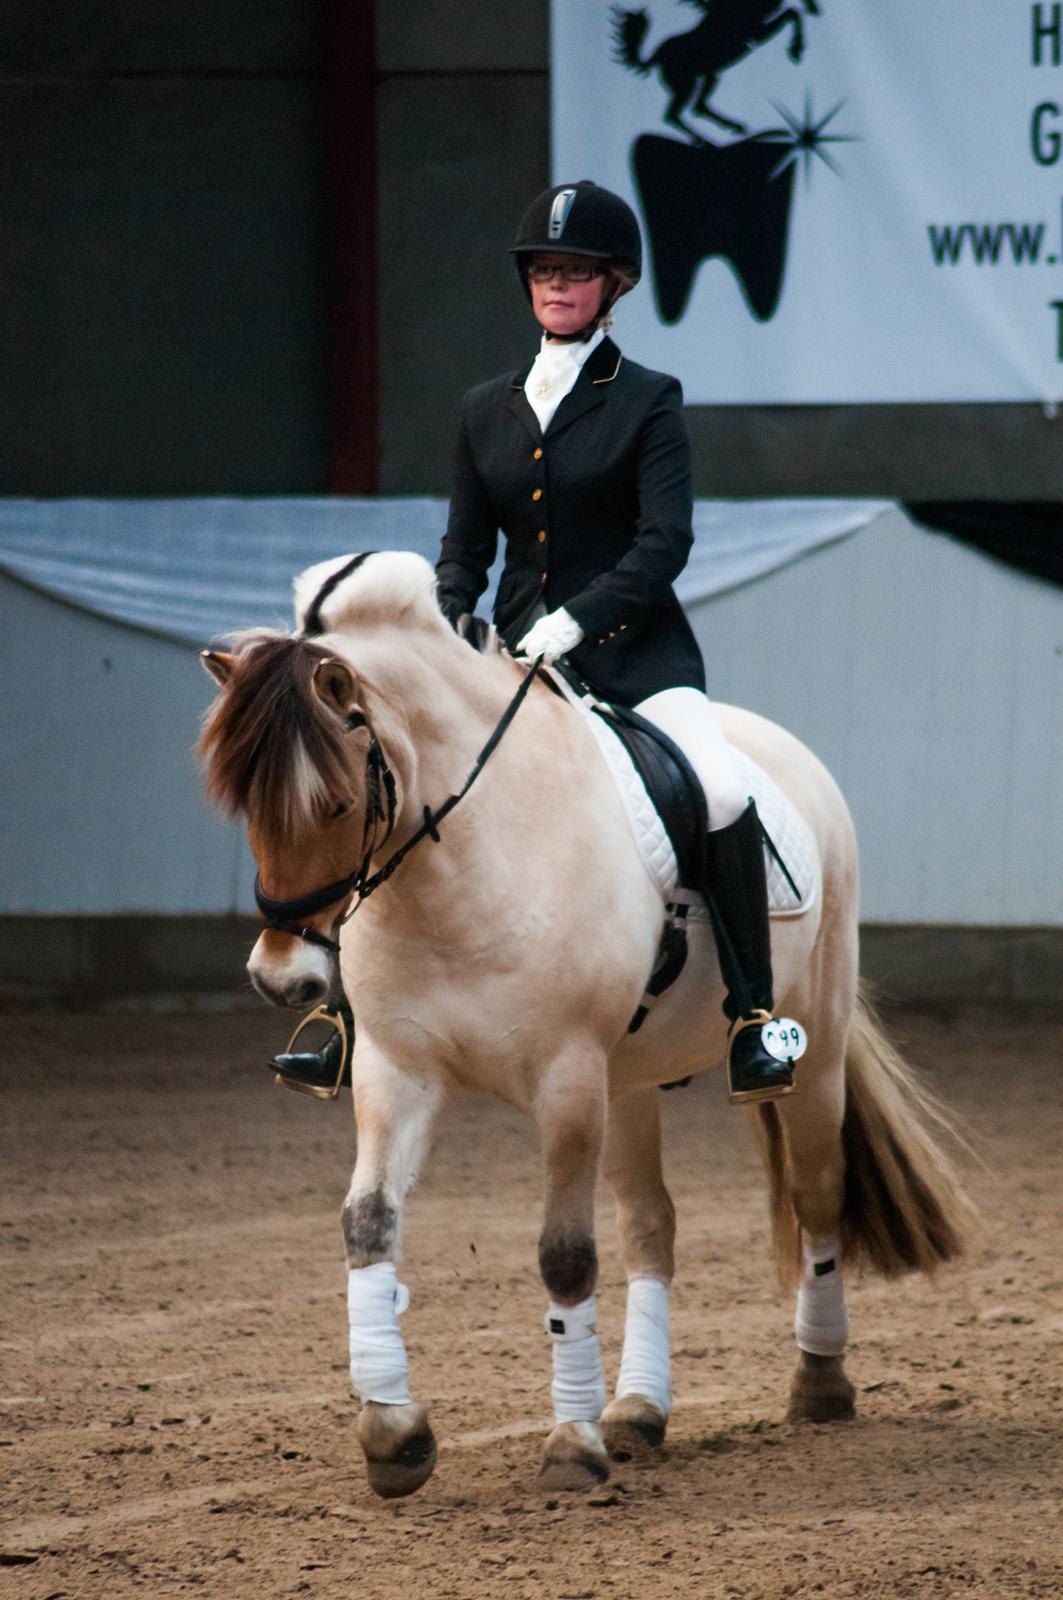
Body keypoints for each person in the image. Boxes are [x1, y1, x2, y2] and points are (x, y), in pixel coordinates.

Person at [430, 179, 801, 1104]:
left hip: (636, 658)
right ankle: (353, 1014)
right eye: (546, 271)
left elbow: (663, 541)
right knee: (409, 783)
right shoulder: (484, 408)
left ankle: (752, 1019)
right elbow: (465, 549)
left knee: (716, 787)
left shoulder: (646, 400)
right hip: (515, 663)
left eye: (578, 272)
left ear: (613, 286)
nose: (558, 286)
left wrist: (579, 619)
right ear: (529, 284)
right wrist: (446, 628)